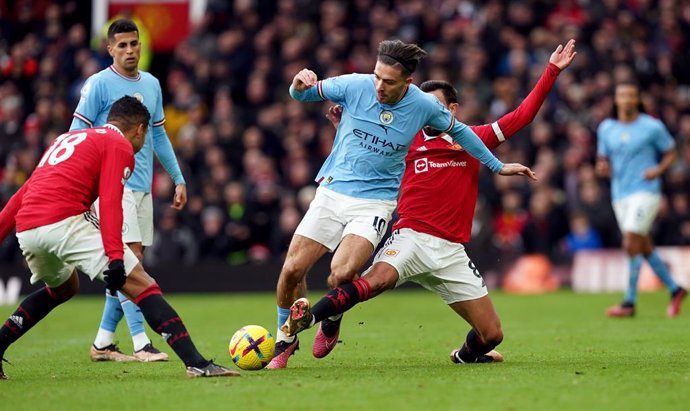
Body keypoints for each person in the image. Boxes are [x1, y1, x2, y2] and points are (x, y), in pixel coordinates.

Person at [281, 40, 576, 365]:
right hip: (411, 236)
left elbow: (523, 116)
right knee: (372, 281)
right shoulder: (405, 141)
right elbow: (369, 145)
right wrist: (344, 128)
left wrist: (550, 71)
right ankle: (309, 320)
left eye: (432, 106)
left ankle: (465, 357)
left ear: (450, 111)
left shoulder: (473, 139)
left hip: (451, 250)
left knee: (491, 335)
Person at [0, 96, 238, 379]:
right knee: (144, 285)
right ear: (139, 129)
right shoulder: (118, 145)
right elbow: (111, 201)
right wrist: (115, 256)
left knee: (63, 289)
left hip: (27, 229)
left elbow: (21, 194)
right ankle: (197, 363)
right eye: (146, 133)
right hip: (64, 222)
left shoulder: (68, 139)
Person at [70, 19, 187, 362]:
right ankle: (141, 343)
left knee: (130, 266)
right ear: (110, 49)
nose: (130, 51)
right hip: (111, 187)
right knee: (130, 261)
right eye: (121, 45)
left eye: (134, 44)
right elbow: (77, 132)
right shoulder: (98, 85)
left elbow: (159, 136)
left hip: (141, 187)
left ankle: (103, 342)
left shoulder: (151, 84)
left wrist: (178, 178)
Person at [596, 81, 687, 318]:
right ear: (616, 100)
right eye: (622, 95)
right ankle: (675, 289)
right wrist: (602, 167)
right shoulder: (606, 128)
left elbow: (671, 152)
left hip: (646, 191)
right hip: (620, 194)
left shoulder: (652, 126)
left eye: (630, 95)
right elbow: (602, 158)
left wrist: (658, 170)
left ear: (637, 100)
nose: (626, 99)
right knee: (642, 244)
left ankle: (629, 301)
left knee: (631, 240)